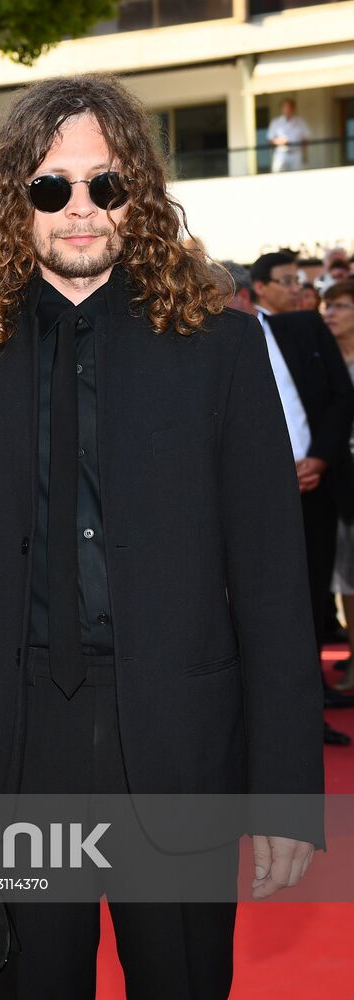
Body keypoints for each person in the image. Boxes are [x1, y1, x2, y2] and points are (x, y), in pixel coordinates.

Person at [0, 74, 323, 998]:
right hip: (24, 746)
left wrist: (285, 791)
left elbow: (271, 578)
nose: (79, 207)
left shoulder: (220, 346)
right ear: (14, 199)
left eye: (104, 182)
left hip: (181, 740)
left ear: (136, 193)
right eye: (50, 186)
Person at [248, 249, 354, 730]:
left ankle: (310, 701)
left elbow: (341, 396)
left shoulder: (305, 329)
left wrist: (320, 459)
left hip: (316, 486)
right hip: (256, 494)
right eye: (287, 280)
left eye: (298, 280)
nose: (298, 289)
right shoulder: (214, 339)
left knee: (312, 593)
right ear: (256, 289)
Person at [323, 278, 354, 697]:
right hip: (339, 482)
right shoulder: (325, 357)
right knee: (346, 575)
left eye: (341, 306)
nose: (331, 314)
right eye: (327, 307)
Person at [267, 98, 311, 173]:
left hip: (296, 154)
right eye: (285, 107)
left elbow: (306, 139)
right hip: (281, 154)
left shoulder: (300, 122)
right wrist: (279, 141)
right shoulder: (275, 122)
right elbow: (270, 140)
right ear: (282, 109)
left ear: (294, 108)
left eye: (290, 107)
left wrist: (304, 155)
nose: (288, 109)